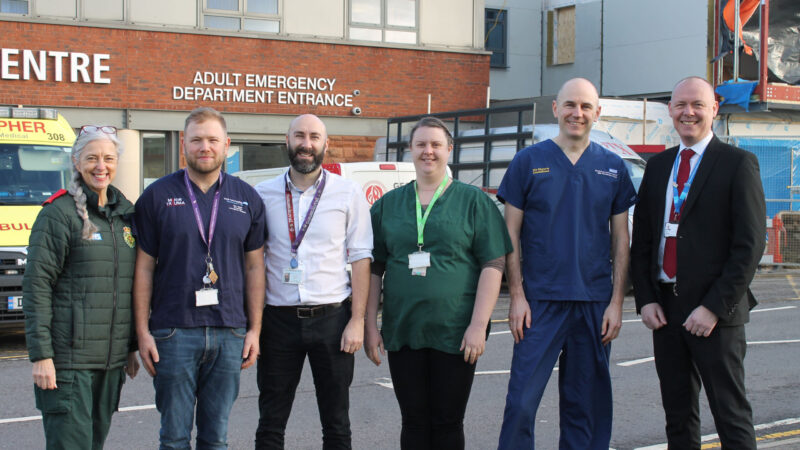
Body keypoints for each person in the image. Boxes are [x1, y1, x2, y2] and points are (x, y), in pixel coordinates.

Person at [497, 78, 638, 449]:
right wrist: (517, 295)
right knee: (522, 404)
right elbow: (509, 234)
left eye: (586, 107)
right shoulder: (529, 161)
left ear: (597, 113)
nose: (578, 113)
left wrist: (616, 303)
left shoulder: (613, 167)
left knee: (585, 409)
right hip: (539, 302)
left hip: (593, 302)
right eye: (571, 105)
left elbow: (621, 239)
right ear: (556, 108)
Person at [630, 76, 765, 449]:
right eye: (680, 105)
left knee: (730, 416)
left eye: (698, 105)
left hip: (715, 314)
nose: (688, 112)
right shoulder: (658, 167)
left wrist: (713, 308)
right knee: (678, 416)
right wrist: (647, 299)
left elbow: (749, 246)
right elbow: (641, 241)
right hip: (666, 311)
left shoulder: (737, 164)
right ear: (671, 110)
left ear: (714, 110)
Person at [365, 117, 512, 450]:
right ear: (410, 150)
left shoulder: (474, 202)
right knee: (414, 422)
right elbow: (373, 267)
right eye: (420, 145)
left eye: (435, 145)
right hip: (403, 331)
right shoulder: (389, 205)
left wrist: (478, 325)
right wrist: (370, 325)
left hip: (456, 333)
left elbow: (493, 263)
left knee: (448, 423)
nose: (428, 151)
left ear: (449, 149)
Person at [132, 107, 266, 449]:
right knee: (174, 437)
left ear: (227, 144)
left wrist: (254, 330)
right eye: (196, 140)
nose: (204, 147)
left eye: (212, 140)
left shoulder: (247, 198)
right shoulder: (157, 196)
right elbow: (144, 268)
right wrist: (143, 333)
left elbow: (254, 267)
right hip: (173, 332)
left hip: (230, 331)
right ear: (183, 144)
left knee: (216, 438)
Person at [254, 114, 372, 450]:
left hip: (333, 321)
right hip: (278, 322)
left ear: (325, 144)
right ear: (287, 141)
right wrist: (255, 326)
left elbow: (361, 257)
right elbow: (253, 261)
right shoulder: (262, 195)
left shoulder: (348, 193)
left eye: (314, 137)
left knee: (336, 424)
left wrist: (358, 321)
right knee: (270, 424)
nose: (307, 144)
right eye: (299, 136)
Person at [23, 125, 139, 449]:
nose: (100, 166)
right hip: (68, 365)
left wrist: (129, 346)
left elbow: (125, 287)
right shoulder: (58, 215)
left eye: (108, 158)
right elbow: (37, 286)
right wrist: (42, 355)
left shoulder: (125, 215)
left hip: (110, 362)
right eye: (91, 158)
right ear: (76, 161)